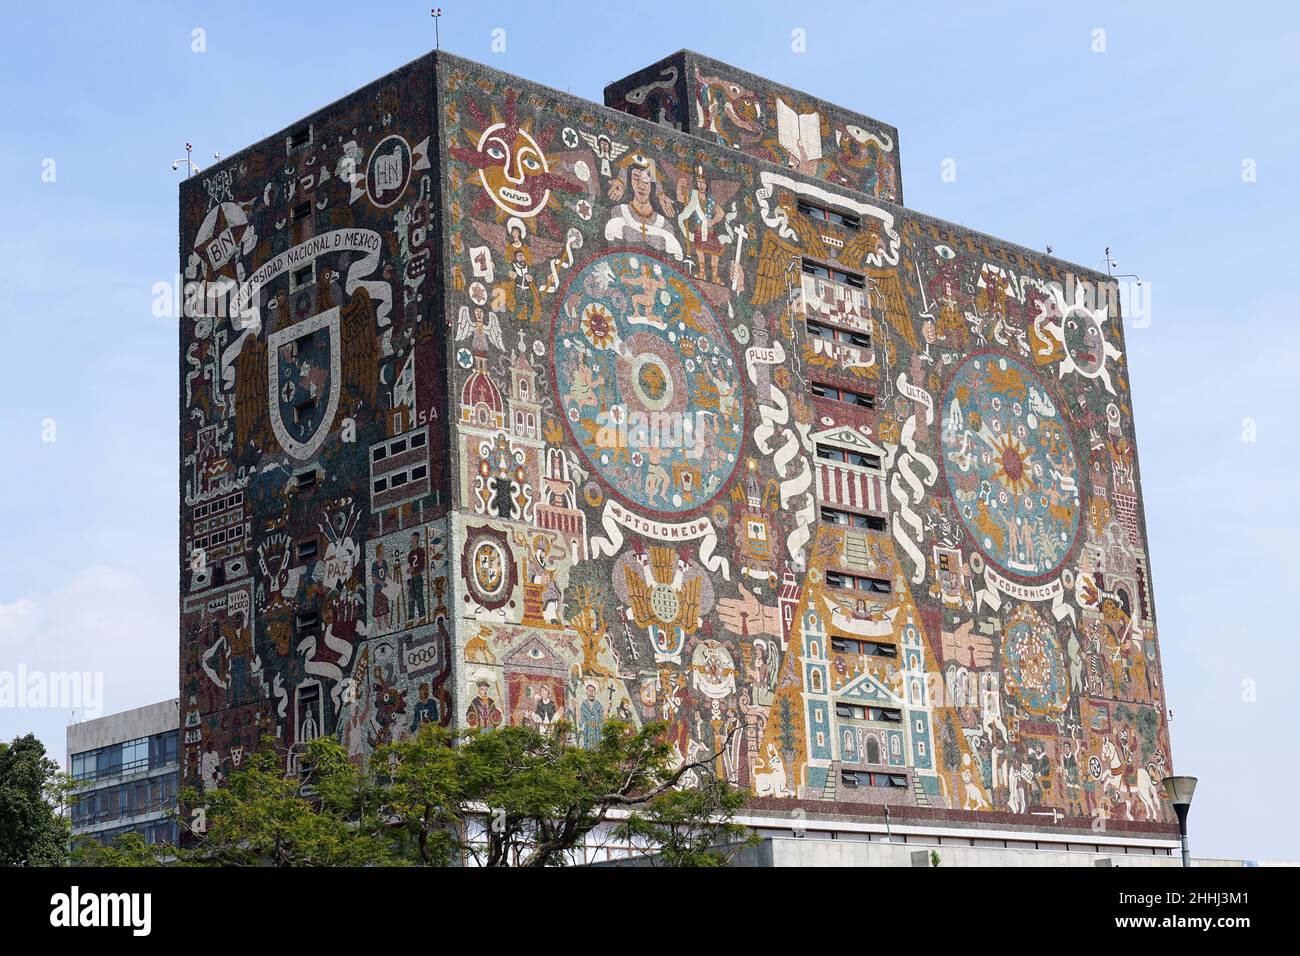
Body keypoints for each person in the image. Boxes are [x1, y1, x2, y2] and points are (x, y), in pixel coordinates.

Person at [407, 532, 426, 621]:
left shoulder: (420, 551)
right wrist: (408, 580)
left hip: (418, 576)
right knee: (411, 597)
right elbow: (408, 566)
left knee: (419, 597)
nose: (412, 540)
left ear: (417, 539)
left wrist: (414, 569)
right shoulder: (410, 554)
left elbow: (422, 566)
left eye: (414, 538)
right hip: (411, 578)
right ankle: (411, 617)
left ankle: (422, 615)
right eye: (411, 538)